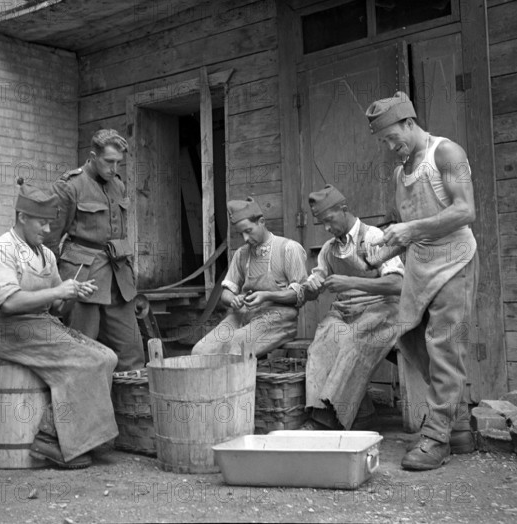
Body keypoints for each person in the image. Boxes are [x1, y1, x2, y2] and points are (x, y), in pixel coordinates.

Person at [365, 91, 479, 470]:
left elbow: (465, 211)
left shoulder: (448, 154)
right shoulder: (401, 172)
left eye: (391, 137)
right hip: (420, 265)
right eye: (383, 140)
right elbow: (402, 225)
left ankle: (436, 435)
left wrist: (410, 229)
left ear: (409, 123)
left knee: (444, 344)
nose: (389, 145)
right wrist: (382, 251)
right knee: (410, 337)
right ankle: (457, 423)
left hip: (453, 262)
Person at [0, 179, 119, 469]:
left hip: (43, 325)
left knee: (107, 357)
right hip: (11, 329)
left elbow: (56, 305)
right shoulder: (0, 250)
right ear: (22, 217)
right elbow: (9, 303)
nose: (47, 230)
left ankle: (78, 435)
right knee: (88, 361)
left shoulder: (46, 254)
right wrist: (58, 291)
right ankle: (51, 439)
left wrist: (74, 292)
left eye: (49, 223)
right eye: (41, 223)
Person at [301, 184, 404, 432]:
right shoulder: (328, 249)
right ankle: (343, 413)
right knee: (321, 345)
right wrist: (312, 285)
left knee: (353, 342)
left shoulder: (374, 239)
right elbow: (313, 288)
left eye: (329, 220)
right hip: (344, 311)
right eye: (321, 223)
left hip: (381, 310)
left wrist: (350, 282)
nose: (326, 228)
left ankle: (327, 420)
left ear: (343, 209)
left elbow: (398, 283)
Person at [45, 129, 143, 372]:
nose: (114, 167)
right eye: (109, 161)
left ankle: (129, 408)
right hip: (83, 277)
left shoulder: (117, 185)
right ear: (92, 155)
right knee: (82, 351)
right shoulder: (70, 186)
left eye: (118, 162)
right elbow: (49, 239)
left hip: (119, 277)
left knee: (131, 352)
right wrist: (53, 285)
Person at [192, 197, 308, 358]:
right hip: (242, 316)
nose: (245, 238)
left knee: (235, 349)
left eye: (248, 231)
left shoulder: (289, 249)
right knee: (201, 351)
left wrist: (267, 295)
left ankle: (240, 384)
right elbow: (226, 292)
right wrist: (233, 299)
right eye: (241, 234)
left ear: (261, 222)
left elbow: (300, 294)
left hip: (277, 318)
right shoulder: (242, 253)